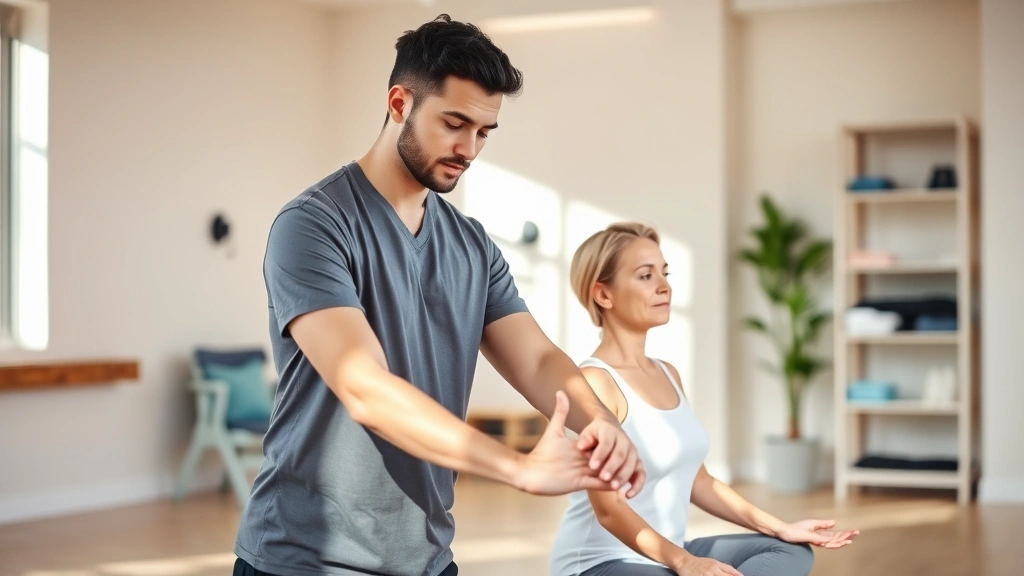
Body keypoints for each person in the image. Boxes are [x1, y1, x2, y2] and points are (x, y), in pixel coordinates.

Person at [232, 15, 646, 576]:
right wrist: (518, 468)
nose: (469, 148)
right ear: (400, 103)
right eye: (455, 123)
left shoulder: (472, 244)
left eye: (483, 131)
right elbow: (366, 389)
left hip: (426, 557)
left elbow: (538, 358)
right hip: (304, 558)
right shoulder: (313, 225)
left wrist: (601, 424)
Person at [549, 223, 859, 576]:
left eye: (664, 273)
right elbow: (608, 509)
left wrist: (780, 527)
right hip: (601, 563)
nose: (664, 286)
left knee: (789, 550)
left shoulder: (667, 373)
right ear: (604, 295)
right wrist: (686, 563)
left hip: (669, 554)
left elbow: (700, 481)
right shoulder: (594, 382)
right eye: (645, 276)